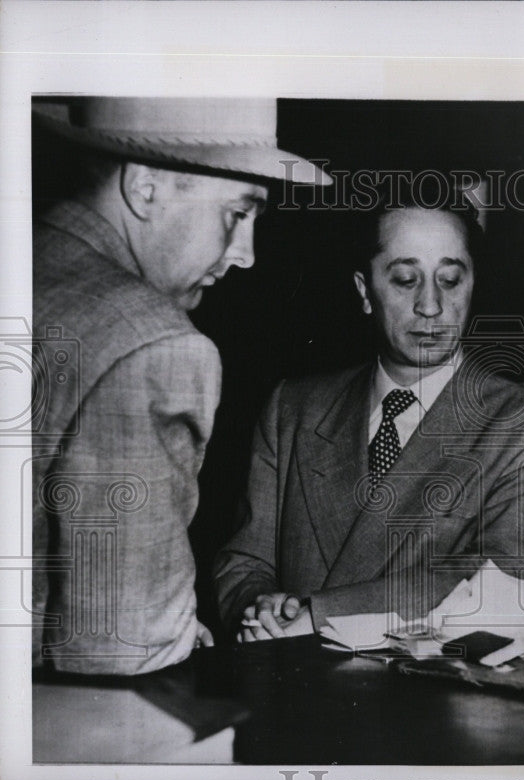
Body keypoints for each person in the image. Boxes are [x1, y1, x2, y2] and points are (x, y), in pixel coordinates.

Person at [31, 97, 331, 674]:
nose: (244, 256)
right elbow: (123, 651)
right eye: (238, 213)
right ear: (145, 188)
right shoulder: (157, 345)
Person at [214, 185, 524, 640]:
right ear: (364, 290)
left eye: (450, 280)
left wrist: (316, 615)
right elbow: (243, 561)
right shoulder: (291, 408)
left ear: (473, 286)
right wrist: (261, 613)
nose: (430, 305)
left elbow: (492, 585)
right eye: (405, 280)